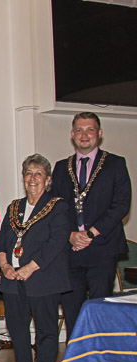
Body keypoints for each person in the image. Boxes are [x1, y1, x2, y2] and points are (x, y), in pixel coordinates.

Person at [51, 112, 131, 340]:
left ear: (100, 134)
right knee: (72, 310)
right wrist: (70, 235)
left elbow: (121, 205)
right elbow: (55, 208)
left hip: (102, 249)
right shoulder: (60, 167)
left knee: (99, 309)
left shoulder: (116, 163)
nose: (84, 135)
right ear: (72, 134)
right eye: (79, 130)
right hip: (70, 251)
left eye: (90, 130)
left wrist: (91, 233)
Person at [0, 154, 71, 362]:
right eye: (29, 173)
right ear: (23, 178)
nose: (33, 178)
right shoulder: (15, 206)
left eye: (39, 174)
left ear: (47, 179)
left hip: (43, 278)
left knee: (46, 328)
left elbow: (57, 243)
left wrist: (29, 268)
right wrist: (5, 265)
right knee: (16, 327)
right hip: (13, 278)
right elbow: (1, 242)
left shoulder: (58, 206)